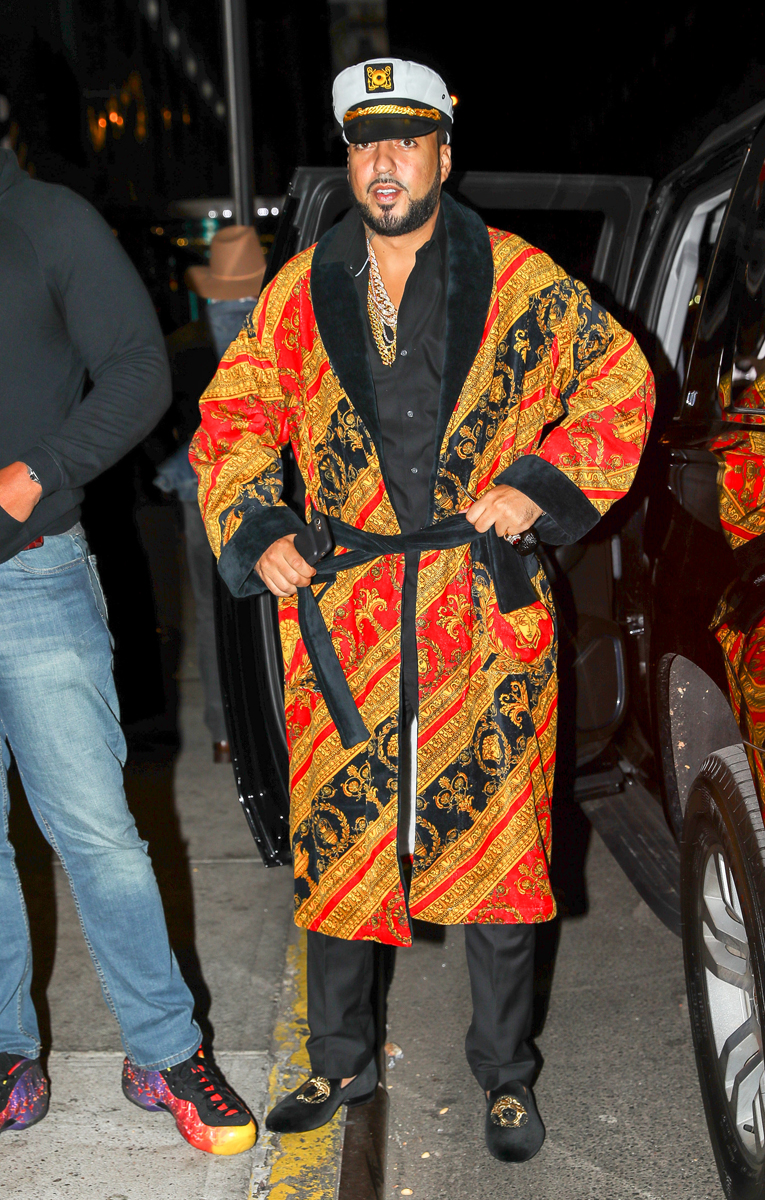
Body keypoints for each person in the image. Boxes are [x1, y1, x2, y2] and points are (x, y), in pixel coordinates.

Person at [191, 57, 655, 1163]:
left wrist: (534, 487)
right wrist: (259, 528)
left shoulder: (519, 279)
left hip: (477, 605)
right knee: (342, 843)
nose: (383, 163)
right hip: (345, 614)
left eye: (405, 142)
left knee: (498, 849)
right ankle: (340, 1056)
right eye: (364, 144)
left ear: (445, 155)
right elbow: (236, 413)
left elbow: (616, 381)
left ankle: (504, 1074)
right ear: (349, 159)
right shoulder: (301, 288)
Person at [0, 144, 255, 1155]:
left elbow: (142, 372)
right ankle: (10, 1054)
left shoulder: (45, 218)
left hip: (32, 574)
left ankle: (164, 1051)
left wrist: (39, 471)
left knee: (97, 833)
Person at [155, 225, 267, 761]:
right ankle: (260, 722)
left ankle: (224, 731)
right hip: (257, 486)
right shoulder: (276, 335)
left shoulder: (182, 347)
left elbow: (157, 421)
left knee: (211, 610)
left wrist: (175, 467)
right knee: (267, 607)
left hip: (197, 491)